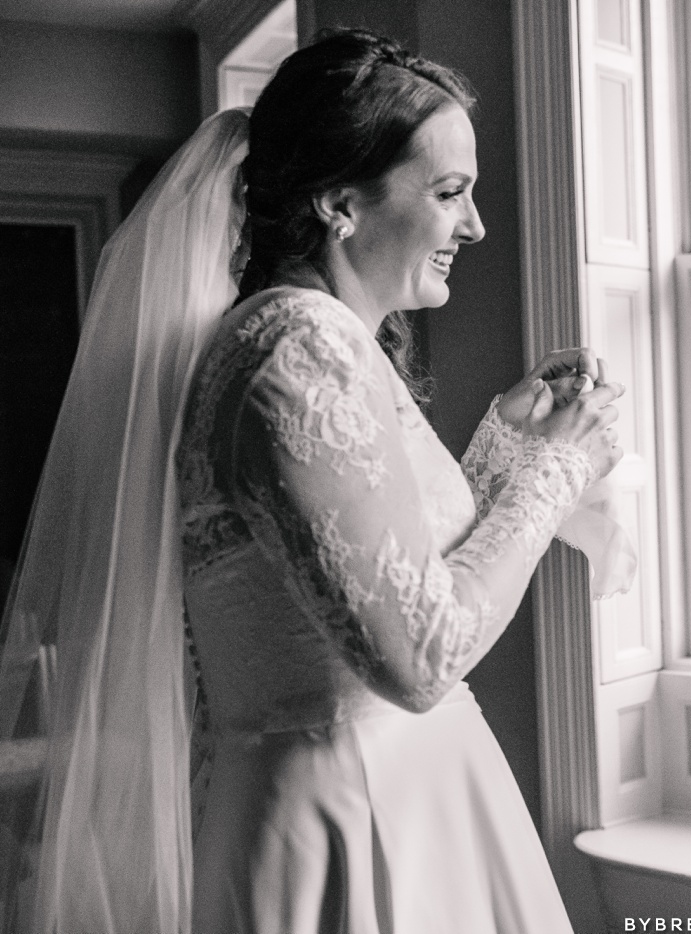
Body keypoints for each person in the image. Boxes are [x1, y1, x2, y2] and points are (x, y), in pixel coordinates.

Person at [0, 29, 622, 933]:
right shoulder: (297, 346)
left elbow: (368, 583)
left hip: (395, 796)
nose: (477, 225)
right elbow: (418, 659)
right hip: (353, 817)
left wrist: (502, 454)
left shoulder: (312, 341)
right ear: (339, 202)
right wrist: (555, 474)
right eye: (450, 193)